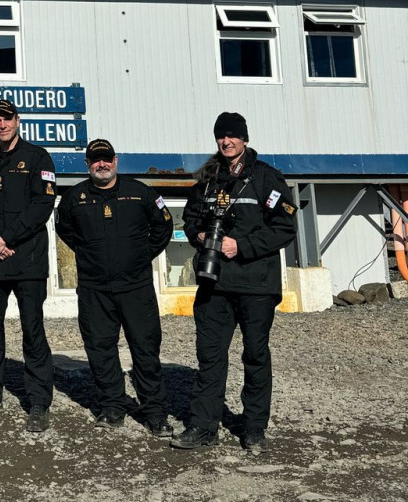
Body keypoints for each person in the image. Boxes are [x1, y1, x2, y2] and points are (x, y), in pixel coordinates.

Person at [172, 112, 297, 455]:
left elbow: (285, 228)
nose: (225, 142)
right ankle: (203, 426)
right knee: (210, 357)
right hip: (215, 285)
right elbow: (191, 217)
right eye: (220, 137)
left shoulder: (266, 178)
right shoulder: (209, 178)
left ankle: (254, 428)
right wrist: (200, 235)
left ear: (244, 138)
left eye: (231, 136)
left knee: (255, 355)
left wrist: (240, 246)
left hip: (256, 284)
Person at [55, 138, 173, 436]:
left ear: (116, 160)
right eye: (95, 160)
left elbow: (164, 226)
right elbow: (64, 229)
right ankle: (112, 406)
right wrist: (89, 255)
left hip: (136, 287)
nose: (101, 164)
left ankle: (155, 412)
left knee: (145, 349)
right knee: (100, 348)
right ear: (87, 164)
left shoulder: (140, 193)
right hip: (95, 289)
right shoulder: (74, 198)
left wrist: (141, 255)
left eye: (106, 158)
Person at [0, 98, 58, 432]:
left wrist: (7, 239)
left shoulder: (37, 157)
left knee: (33, 332)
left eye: (7, 119)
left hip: (27, 260)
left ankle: (38, 402)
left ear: (18, 120)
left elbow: (42, 204)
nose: (2, 125)